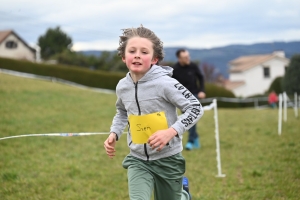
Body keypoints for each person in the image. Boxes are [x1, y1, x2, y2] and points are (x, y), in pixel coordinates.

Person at [104, 25, 204, 200]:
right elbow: (121, 111)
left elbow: (195, 108)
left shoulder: (165, 83)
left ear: (154, 58)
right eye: (132, 51)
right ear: (123, 57)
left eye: (144, 52)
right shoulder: (122, 86)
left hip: (168, 159)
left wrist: (171, 131)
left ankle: (183, 195)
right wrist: (114, 132)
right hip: (138, 159)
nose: (137, 55)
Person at [172, 49, 205, 150]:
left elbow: (201, 77)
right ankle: (195, 137)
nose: (188, 59)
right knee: (188, 119)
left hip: (194, 95)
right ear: (179, 58)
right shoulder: (175, 69)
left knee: (192, 117)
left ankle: (190, 141)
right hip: (182, 98)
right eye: (185, 57)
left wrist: (202, 90)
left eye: (188, 56)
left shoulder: (193, 66)